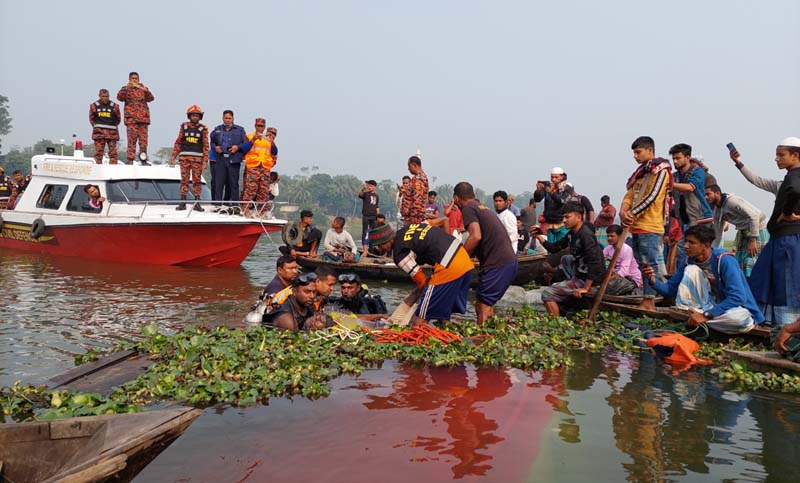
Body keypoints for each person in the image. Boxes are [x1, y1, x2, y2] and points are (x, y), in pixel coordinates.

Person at [642, 224, 764, 334]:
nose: (686, 246)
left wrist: (707, 315)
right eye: (686, 242)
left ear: (705, 245)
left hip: (735, 309)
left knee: (736, 320)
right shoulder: (687, 261)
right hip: (710, 306)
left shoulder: (724, 260)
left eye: (691, 243)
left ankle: (699, 320)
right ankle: (700, 319)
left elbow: (738, 297)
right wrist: (652, 279)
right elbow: (669, 289)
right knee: (691, 269)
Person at [731, 138, 800, 325]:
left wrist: (787, 213)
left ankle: (787, 325)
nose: (776, 159)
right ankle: (776, 322)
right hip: (782, 238)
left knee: (785, 281)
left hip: (788, 240)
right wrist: (738, 163)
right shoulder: (783, 181)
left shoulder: (794, 176)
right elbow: (757, 180)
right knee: (771, 278)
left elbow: (795, 191)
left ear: (796, 155)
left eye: (781, 155)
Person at [370, 222, 473, 325]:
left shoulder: (400, 254)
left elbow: (422, 283)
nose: (380, 249)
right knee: (443, 317)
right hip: (465, 260)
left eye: (380, 245)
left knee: (419, 321)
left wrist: (414, 302)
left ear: (388, 240)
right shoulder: (407, 228)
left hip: (449, 266)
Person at [620, 136, 672, 310]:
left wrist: (631, 214)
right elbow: (629, 194)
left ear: (650, 150)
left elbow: (652, 197)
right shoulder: (641, 173)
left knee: (650, 263)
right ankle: (649, 296)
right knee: (641, 261)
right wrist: (623, 211)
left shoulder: (661, 171)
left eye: (638, 152)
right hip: (636, 226)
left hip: (650, 225)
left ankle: (650, 299)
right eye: (634, 153)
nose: (635, 156)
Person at [454, 181, 518, 324]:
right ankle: (490, 335)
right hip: (507, 262)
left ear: (456, 198)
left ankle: (482, 341)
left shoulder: (468, 209)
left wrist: (458, 258)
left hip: (498, 264)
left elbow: (476, 236)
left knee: (482, 304)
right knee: (485, 302)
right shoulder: (481, 207)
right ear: (474, 195)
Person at [536, 202, 605, 316]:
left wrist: (586, 288)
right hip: (579, 273)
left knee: (547, 294)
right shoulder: (571, 234)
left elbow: (594, 262)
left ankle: (555, 324)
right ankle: (571, 282)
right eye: (563, 217)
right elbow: (555, 248)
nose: (564, 220)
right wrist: (539, 237)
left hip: (588, 279)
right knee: (566, 258)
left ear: (578, 217)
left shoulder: (585, 235)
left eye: (567, 217)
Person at [704, 184, 769, 276]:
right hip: (743, 231)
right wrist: (710, 253)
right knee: (739, 262)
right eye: (705, 195)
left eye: (708, 194)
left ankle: (756, 287)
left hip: (758, 229)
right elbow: (717, 235)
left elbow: (754, 216)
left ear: (717, 193)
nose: (706, 197)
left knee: (752, 261)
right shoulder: (717, 212)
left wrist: (753, 239)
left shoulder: (732, 201)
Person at [670, 143, 714, 267]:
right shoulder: (675, 176)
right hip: (686, 220)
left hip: (701, 219)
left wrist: (669, 184)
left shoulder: (698, 172)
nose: (675, 161)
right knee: (683, 252)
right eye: (673, 158)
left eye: (678, 158)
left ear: (687, 157)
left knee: (700, 252)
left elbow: (690, 187)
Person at [169, 105, 209, 211]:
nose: (195, 117)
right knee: (184, 180)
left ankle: (197, 203)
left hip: (197, 160)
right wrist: (173, 156)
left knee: (197, 181)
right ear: (189, 116)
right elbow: (178, 142)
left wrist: (205, 161)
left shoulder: (203, 129)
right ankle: (183, 203)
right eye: (193, 115)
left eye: (197, 115)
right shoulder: (184, 127)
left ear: (200, 117)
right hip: (184, 159)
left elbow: (206, 146)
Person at [210, 110, 248, 205]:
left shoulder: (240, 130)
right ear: (223, 118)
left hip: (233, 160)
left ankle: (235, 205)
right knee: (219, 184)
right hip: (221, 159)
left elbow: (246, 143)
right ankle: (217, 205)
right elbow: (212, 142)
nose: (227, 120)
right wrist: (215, 147)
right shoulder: (217, 129)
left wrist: (237, 147)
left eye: (229, 118)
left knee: (233, 184)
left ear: (233, 119)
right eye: (226, 118)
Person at [241, 119, 278, 217]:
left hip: (265, 168)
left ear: (264, 127)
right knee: (250, 190)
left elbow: (274, 152)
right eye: (258, 125)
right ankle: (245, 209)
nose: (260, 127)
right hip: (253, 167)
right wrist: (253, 139)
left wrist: (272, 142)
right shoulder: (249, 136)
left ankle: (260, 211)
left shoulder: (268, 138)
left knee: (263, 191)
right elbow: (243, 149)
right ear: (255, 126)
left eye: (262, 126)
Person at [116, 72, 154, 165]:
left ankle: (143, 159)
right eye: (133, 78)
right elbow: (119, 98)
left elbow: (151, 98)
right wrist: (126, 88)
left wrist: (145, 90)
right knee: (131, 140)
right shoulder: (125, 89)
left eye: (136, 78)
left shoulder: (143, 88)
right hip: (131, 120)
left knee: (143, 141)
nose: (134, 80)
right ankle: (130, 159)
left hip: (143, 120)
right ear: (129, 79)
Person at [534, 167, 579, 243]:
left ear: (562, 177)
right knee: (551, 248)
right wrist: (538, 190)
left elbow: (563, 201)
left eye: (556, 177)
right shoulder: (547, 185)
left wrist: (551, 193)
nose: (553, 179)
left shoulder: (567, 187)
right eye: (552, 177)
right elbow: (537, 199)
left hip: (563, 224)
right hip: (549, 224)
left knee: (562, 248)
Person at [269, 266, 338, 312]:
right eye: (330, 285)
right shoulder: (295, 295)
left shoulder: (318, 295)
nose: (332, 288)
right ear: (318, 281)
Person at [602, 224, 642, 295]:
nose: (609, 238)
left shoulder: (627, 250)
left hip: (630, 279)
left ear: (619, 236)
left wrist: (606, 280)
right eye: (608, 236)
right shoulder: (608, 248)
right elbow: (601, 260)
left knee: (606, 288)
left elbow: (623, 272)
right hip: (616, 277)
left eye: (612, 236)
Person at [88, 89, 121, 164]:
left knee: (113, 153)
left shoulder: (115, 106)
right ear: (99, 96)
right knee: (98, 153)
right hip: (99, 133)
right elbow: (91, 119)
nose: (105, 98)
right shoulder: (94, 106)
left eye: (107, 96)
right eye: (103, 96)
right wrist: (98, 128)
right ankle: (98, 170)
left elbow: (118, 119)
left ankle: (113, 170)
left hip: (112, 134)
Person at [400, 155, 428, 223]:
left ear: (414, 165)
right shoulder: (418, 178)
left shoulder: (418, 180)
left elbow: (417, 200)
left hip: (415, 218)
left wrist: (414, 218)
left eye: (409, 166)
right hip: (412, 217)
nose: (408, 169)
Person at [358, 180, 380, 248]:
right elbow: (360, 194)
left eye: (371, 186)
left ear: (374, 187)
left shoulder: (376, 196)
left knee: (373, 231)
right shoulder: (366, 194)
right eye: (368, 186)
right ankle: (364, 245)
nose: (369, 187)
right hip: (366, 215)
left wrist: (378, 216)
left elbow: (377, 206)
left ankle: (371, 246)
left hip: (373, 216)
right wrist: (363, 188)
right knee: (365, 231)